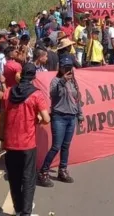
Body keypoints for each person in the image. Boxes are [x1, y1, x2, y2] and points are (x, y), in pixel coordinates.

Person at [0, 63, 50, 216]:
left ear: (20, 75)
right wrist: (37, 119)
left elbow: (2, 118)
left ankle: (18, 208)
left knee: (14, 179)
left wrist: (2, 137)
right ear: (34, 77)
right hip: (27, 144)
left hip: (10, 142)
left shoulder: (8, 92)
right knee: (28, 179)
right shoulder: (36, 94)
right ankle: (26, 212)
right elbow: (46, 119)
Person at [38, 57, 84, 187]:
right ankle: (44, 171)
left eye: (70, 67)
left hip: (71, 117)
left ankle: (62, 170)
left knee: (66, 146)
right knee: (56, 146)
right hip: (59, 117)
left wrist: (80, 114)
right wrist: (63, 81)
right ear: (60, 68)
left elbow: (77, 98)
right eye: (65, 67)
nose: (68, 69)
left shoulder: (73, 81)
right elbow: (54, 94)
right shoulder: (56, 81)